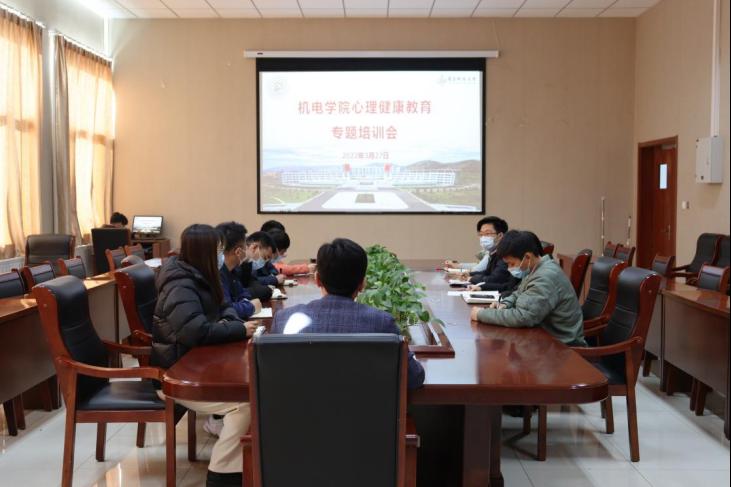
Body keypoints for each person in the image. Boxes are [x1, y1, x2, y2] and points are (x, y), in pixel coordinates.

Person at [152, 224, 258, 487]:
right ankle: (221, 474)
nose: (221, 254)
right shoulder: (180, 283)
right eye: (217, 249)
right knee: (244, 403)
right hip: (176, 374)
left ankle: (238, 464)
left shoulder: (202, 275)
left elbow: (225, 307)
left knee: (251, 394)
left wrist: (233, 323)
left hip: (198, 363)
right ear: (204, 251)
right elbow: (194, 331)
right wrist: (238, 329)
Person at [271, 238, 425, 389]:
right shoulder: (381, 323)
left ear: (317, 279)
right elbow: (414, 378)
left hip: (302, 406)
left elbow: (272, 376)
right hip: (364, 407)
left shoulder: (284, 319)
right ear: (362, 284)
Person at [470, 230, 586, 347]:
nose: (509, 268)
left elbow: (522, 317)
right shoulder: (536, 268)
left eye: (511, 264)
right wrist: (505, 304)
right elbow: (518, 292)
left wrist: (481, 314)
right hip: (543, 338)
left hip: (563, 347)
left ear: (527, 257)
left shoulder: (545, 277)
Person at [215, 222, 262, 320]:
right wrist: (251, 307)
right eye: (246, 247)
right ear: (238, 252)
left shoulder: (233, 270)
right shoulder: (217, 273)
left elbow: (243, 294)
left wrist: (244, 303)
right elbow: (225, 309)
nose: (247, 250)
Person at [462, 216, 517, 293]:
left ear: (500, 236)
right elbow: (487, 272)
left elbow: (495, 279)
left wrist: (471, 278)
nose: (483, 238)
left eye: (487, 234)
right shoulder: (494, 253)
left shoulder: (505, 254)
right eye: (481, 234)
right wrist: (469, 274)